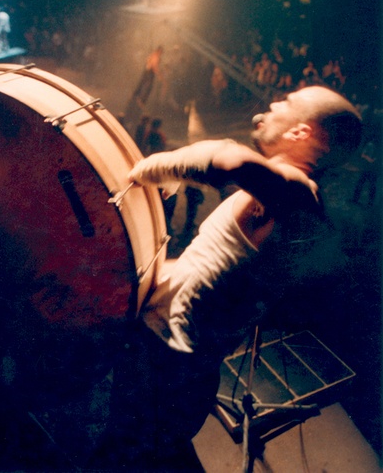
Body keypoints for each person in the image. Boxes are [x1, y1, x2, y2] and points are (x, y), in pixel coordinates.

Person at [91, 85, 362, 471]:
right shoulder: (288, 202)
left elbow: (230, 160)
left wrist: (154, 169)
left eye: (285, 103)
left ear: (301, 133)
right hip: (186, 367)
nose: (270, 106)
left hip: (165, 365)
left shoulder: (298, 192)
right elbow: (219, 277)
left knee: (118, 456)